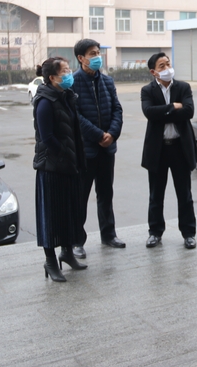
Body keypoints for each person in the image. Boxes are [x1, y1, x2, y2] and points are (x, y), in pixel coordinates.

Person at [32, 56, 88, 282]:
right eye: (64, 71)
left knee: (69, 212)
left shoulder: (66, 96)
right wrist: (65, 153)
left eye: (68, 69)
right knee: (51, 216)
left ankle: (67, 253)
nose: (69, 74)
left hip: (69, 165)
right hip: (51, 168)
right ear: (52, 78)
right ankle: (50, 261)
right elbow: (47, 137)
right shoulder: (44, 101)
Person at [70, 39, 125, 259]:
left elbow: (117, 109)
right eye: (92, 54)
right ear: (81, 58)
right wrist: (99, 135)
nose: (97, 57)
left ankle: (108, 235)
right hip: (86, 151)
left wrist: (112, 133)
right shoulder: (73, 83)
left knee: (106, 193)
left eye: (98, 53)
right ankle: (76, 241)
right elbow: (75, 116)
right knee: (80, 196)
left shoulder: (107, 81)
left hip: (107, 150)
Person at [141, 52, 197, 249]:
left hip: (180, 148)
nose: (167, 68)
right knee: (156, 195)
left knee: (185, 195)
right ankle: (155, 232)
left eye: (168, 64)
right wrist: (173, 107)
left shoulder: (183, 87)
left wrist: (163, 112)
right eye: (162, 66)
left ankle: (189, 233)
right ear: (153, 72)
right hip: (158, 150)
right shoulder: (147, 91)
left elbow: (189, 111)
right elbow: (149, 113)